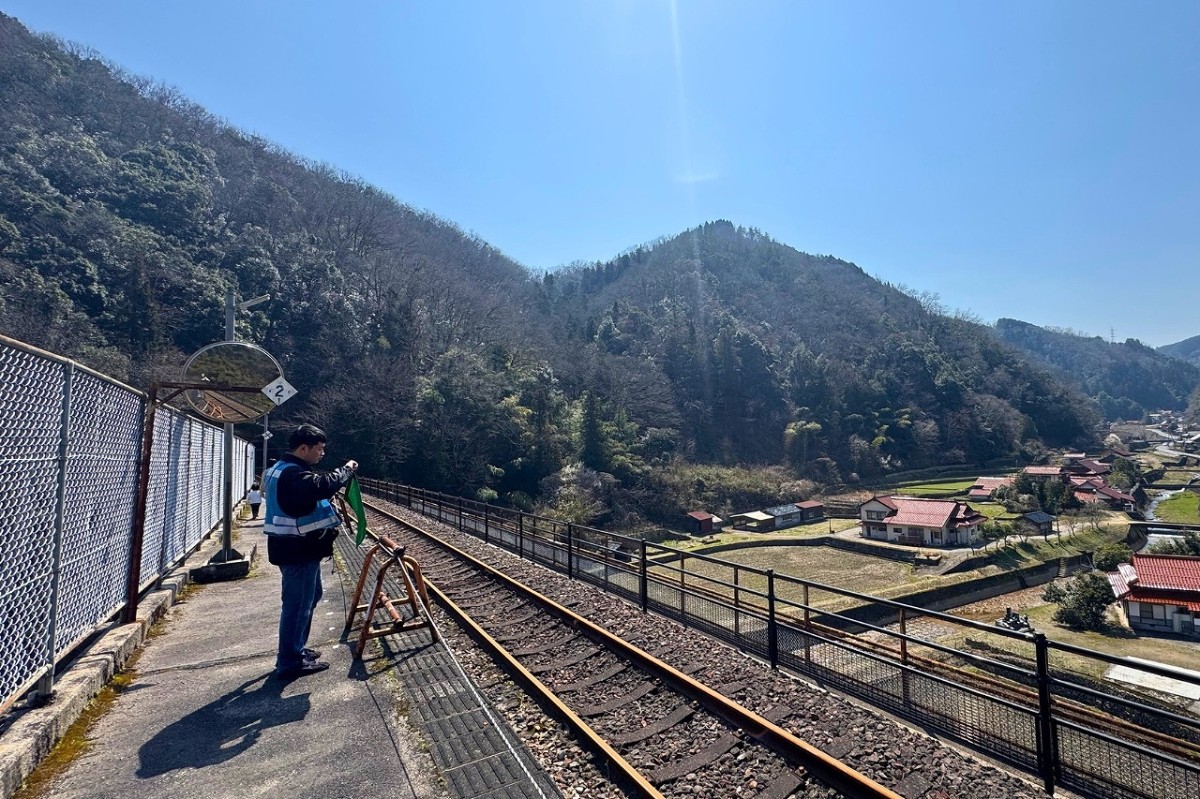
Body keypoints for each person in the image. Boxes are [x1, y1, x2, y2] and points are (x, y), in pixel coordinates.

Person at [262, 424, 357, 678]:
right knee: (297, 605)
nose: (322, 453)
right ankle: (290, 661)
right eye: (318, 449)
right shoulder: (292, 475)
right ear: (303, 448)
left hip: (295, 547)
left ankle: (296, 649)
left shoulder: (279, 470)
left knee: (310, 597)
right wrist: (346, 470)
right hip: (297, 549)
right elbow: (322, 486)